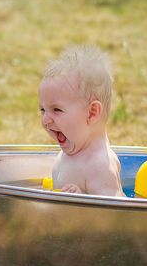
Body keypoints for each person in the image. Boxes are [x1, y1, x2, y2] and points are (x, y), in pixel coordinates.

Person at [39, 45, 125, 197]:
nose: (45, 119)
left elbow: (114, 214)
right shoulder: (73, 150)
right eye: (42, 110)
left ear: (91, 113)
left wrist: (81, 201)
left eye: (57, 110)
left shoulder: (99, 165)